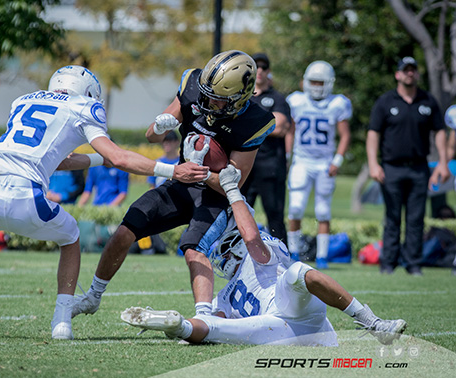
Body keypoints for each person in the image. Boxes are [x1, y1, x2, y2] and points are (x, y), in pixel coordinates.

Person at [0, 65, 208, 340]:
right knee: (70, 236)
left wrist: (102, 161)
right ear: (86, 91)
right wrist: (172, 169)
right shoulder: (84, 107)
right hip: (25, 196)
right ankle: (61, 323)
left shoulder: (25, 100)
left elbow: (59, 160)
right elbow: (119, 156)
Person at [72, 50, 275, 319]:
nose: (208, 100)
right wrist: (159, 127)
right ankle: (93, 297)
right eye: (207, 92)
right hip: (179, 184)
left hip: (215, 197)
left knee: (193, 248)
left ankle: (204, 317)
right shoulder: (192, 85)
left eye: (217, 99)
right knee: (126, 229)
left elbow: (231, 185)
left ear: (240, 98)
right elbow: (153, 136)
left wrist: (201, 171)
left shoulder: (255, 122)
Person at [121, 165, 407, 346]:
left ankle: (371, 322)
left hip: (297, 313)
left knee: (297, 273)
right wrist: (232, 190)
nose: (224, 258)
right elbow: (216, 322)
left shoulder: (255, 254)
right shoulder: (226, 292)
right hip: (275, 329)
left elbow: (252, 238)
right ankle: (175, 324)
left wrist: (233, 193)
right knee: (214, 326)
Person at [367, 56, 450, 276]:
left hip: (419, 168)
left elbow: (440, 131)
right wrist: (373, 164)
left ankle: (413, 264)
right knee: (392, 217)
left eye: (413, 70)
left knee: (416, 218)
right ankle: (388, 263)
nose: (409, 73)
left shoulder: (428, 101)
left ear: (417, 74)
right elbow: (373, 134)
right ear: (398, 74)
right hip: (391, 168)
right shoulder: (385, 101)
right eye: (406, 70)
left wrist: (442, 163)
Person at [285, 61, 352, 269]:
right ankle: (294, 252)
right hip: (302, 161)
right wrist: (287, 156)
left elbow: (345, 135)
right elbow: (290, 131)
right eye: (313, 81)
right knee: (295, 208)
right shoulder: (296, 101)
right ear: (305, 81)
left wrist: (337, 160)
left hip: (324, 163)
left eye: (320, 82)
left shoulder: (337, 104)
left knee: (323, 211)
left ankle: (322, 257)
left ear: (329, 83)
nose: (316, 86)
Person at [240, 52, 291, 244]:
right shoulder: (242, 96)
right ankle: (237, 260)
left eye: (263, 67)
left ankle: (282, 261)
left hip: (270, 166)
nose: (259, 71)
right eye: (255, 67)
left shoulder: (277, 97)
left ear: (268, 71)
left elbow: (280, 127)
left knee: (275, 215)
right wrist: (264, 123)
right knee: (239, 215)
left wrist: (245, 125)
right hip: (244, 166)